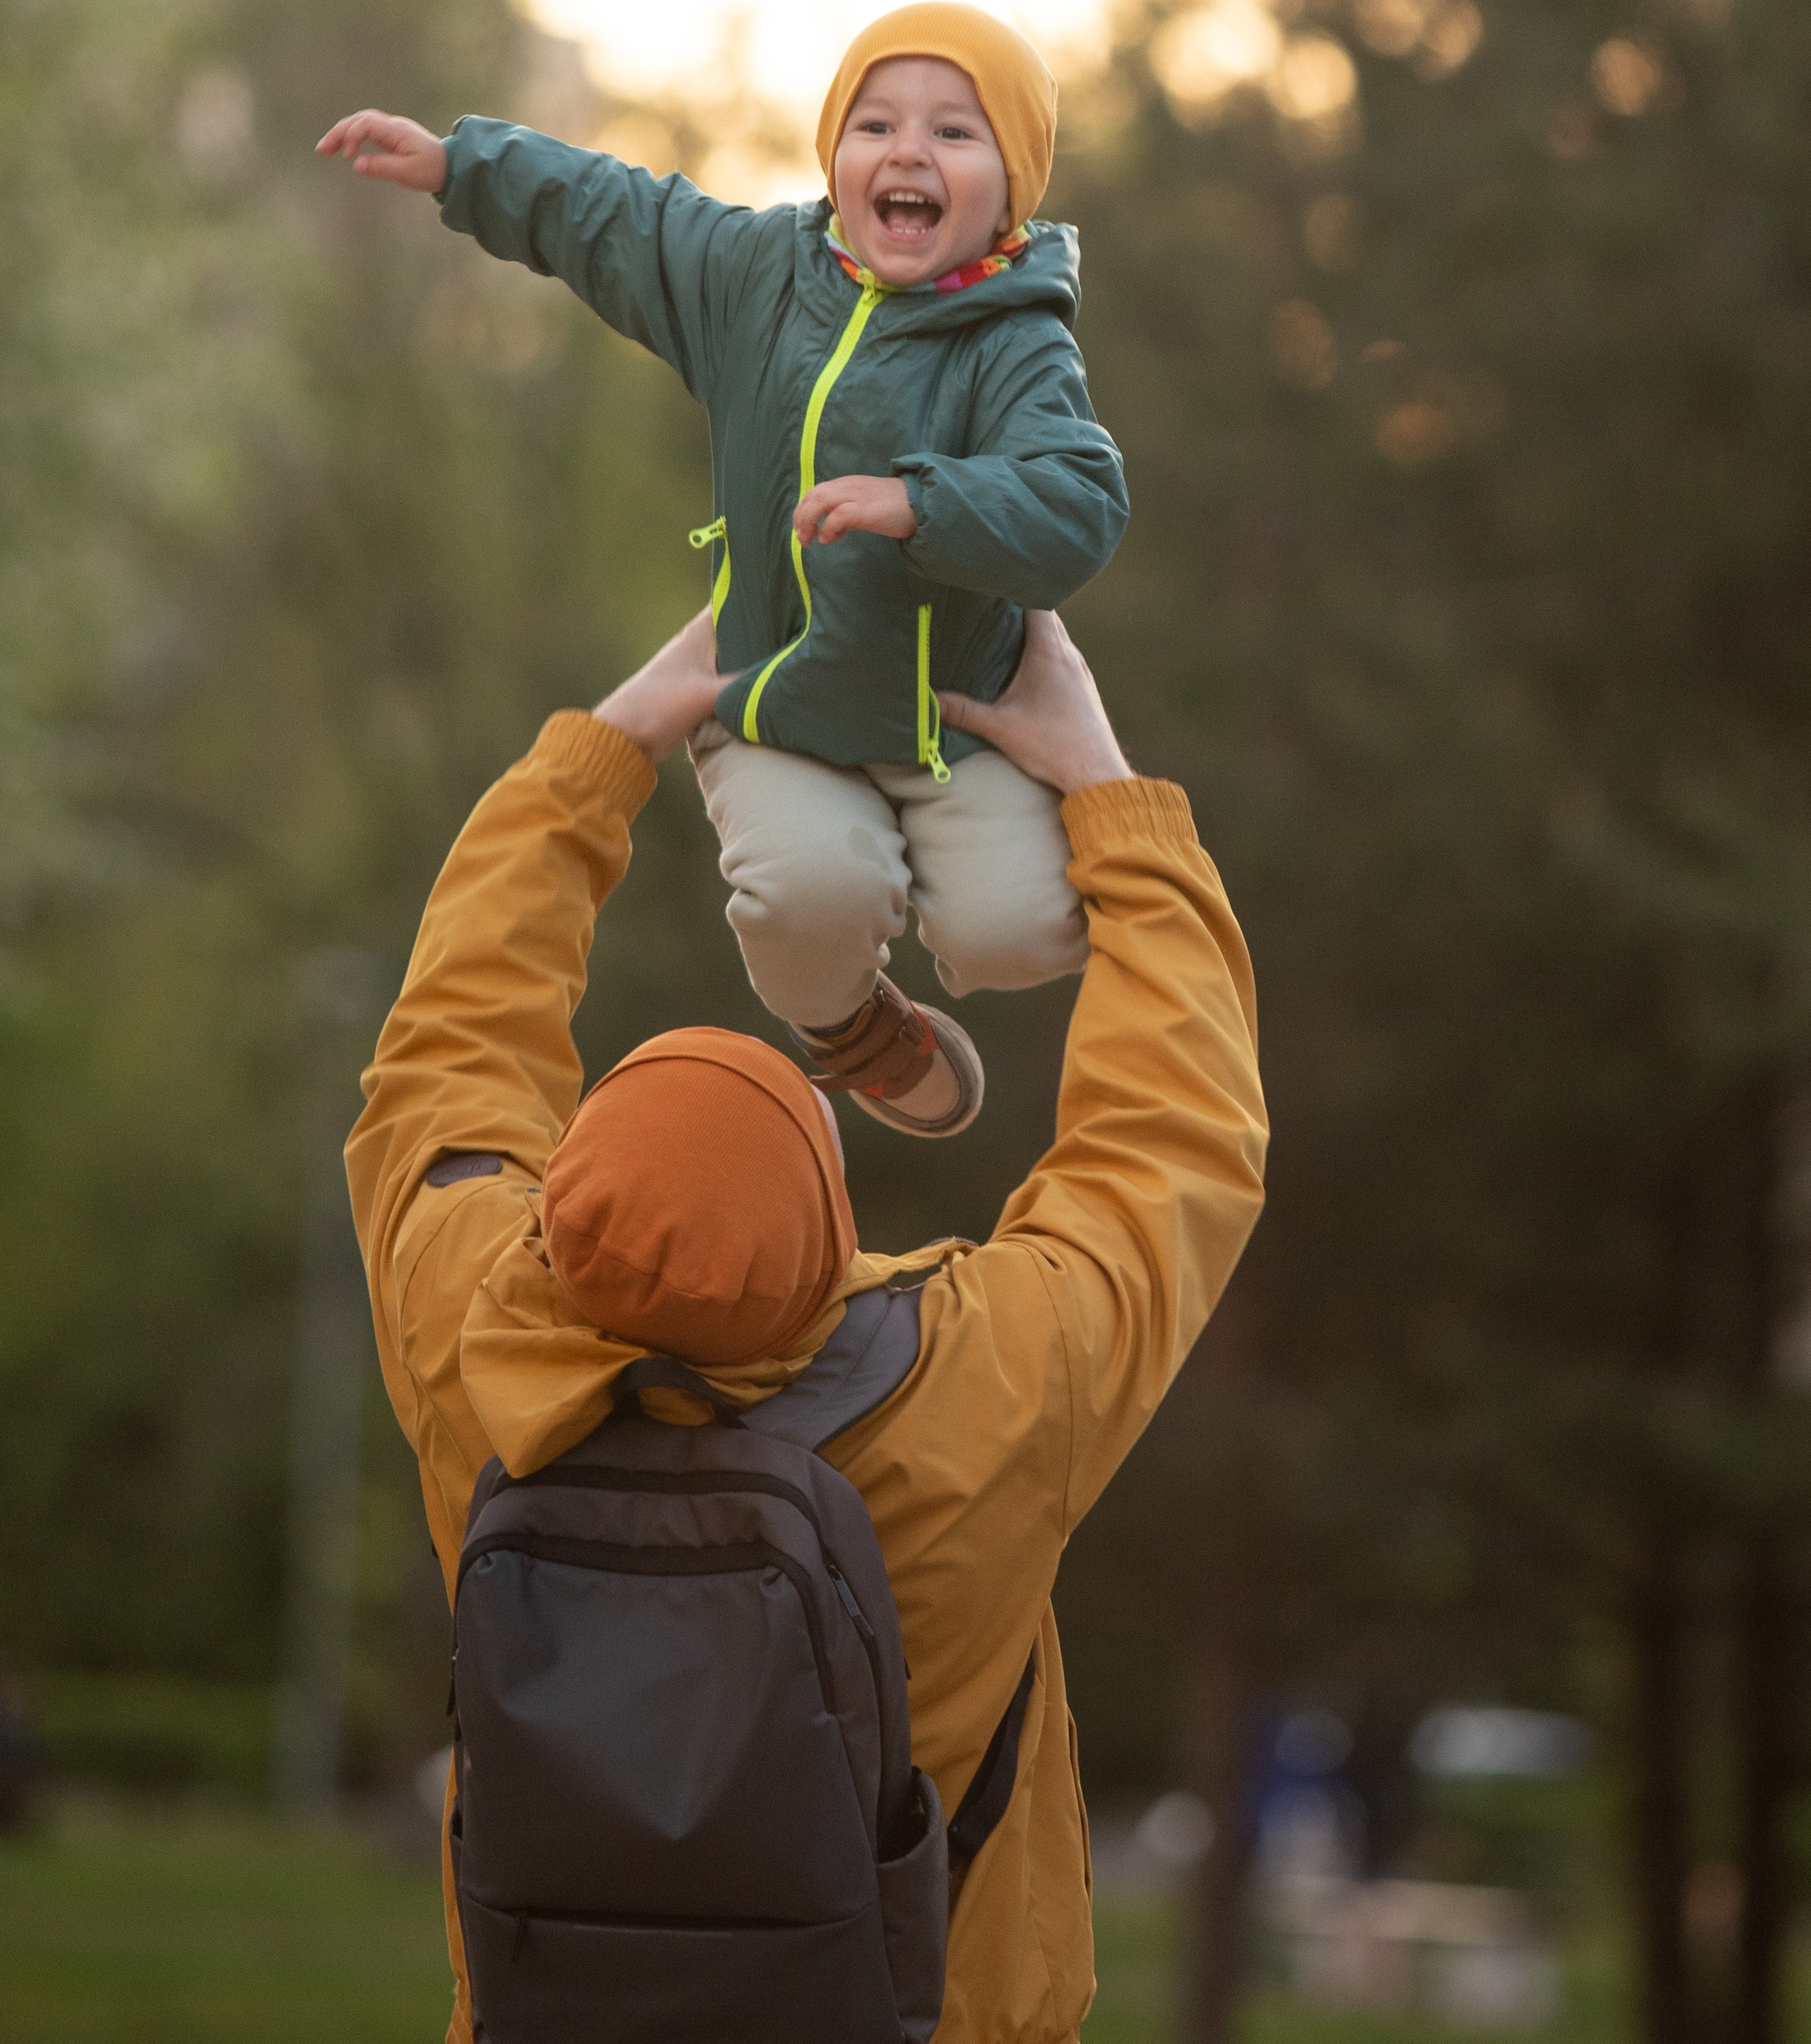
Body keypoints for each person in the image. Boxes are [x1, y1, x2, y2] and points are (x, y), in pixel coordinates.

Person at [346, 605, 1267, 2044]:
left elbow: (445, 1057)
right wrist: (1103, 783)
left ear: (559, 1209)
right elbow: (1175, 1141)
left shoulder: (471, 1336)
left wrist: (600, 757)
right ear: (833, 1243)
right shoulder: (979, 1387)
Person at [318, 2, 1127, 1139]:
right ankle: (853, 1031)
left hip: (959, 719)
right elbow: (618, 219)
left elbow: (1081, 504)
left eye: (955, 134)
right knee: (807, 908)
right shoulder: (759, 277)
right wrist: (463, 166)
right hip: (780, 701)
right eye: (875, 123)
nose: (906, 152)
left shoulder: (1018, 340)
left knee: (1027, 938)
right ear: (834, 155)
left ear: (1012, 184)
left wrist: (921, 503)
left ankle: (930, 935)